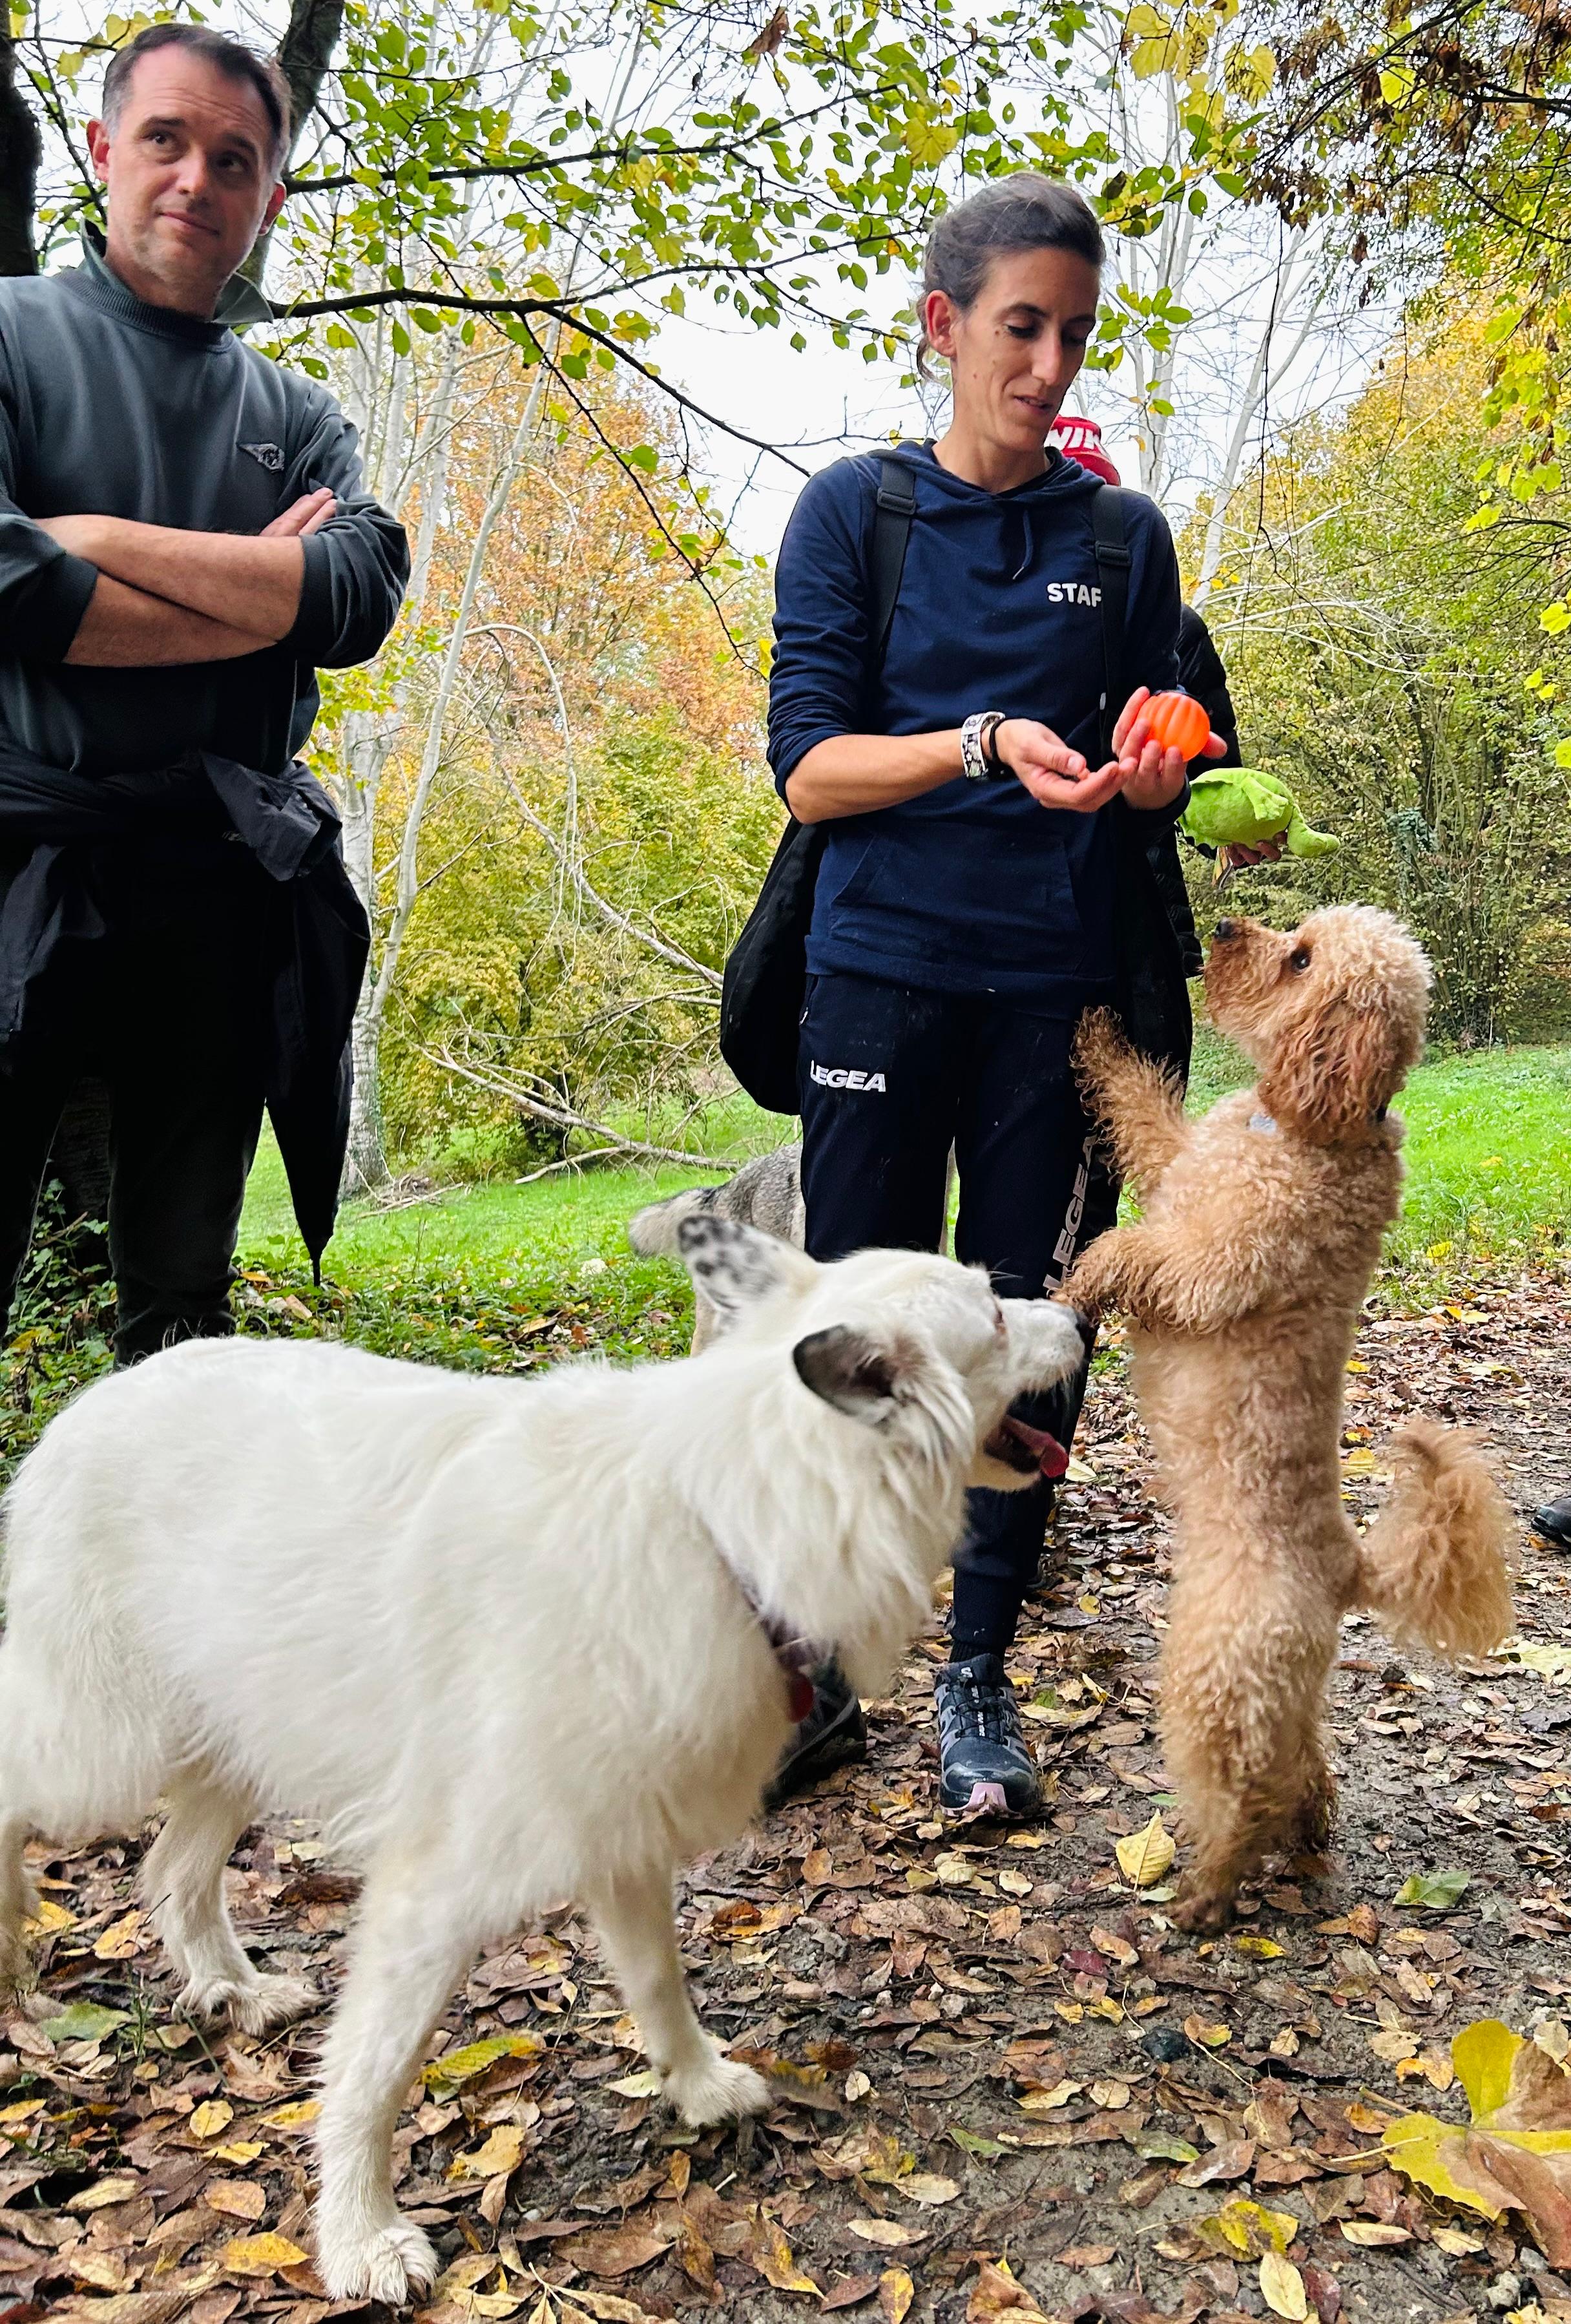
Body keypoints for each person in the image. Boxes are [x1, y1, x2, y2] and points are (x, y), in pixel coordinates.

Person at [764, 173, 1225, 1814]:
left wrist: (1161, 767)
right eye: (1019, 328)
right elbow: (810, 773)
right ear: (945, 325)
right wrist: (970, 743)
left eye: (1072, 334)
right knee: (851, 1334)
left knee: (1032, 1330)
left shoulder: (1123, 538)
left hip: (1056, 999)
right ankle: (818, 1668)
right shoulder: (854, 516)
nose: (1048, 367)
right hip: (878, 980)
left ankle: (975, 1680)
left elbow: (1160, 765)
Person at [0, 23, 408, 1363]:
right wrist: (253, 599)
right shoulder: (11, 337)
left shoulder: (293, 410)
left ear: (268, 196)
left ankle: (159, 1570)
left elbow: (358, 592)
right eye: (166, 141)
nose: (196, 179)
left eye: (236, 159)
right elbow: (7, 589)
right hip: (20, 867)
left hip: (217, 890)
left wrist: (98, 542)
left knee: (181, 1307)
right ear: (105, 151)